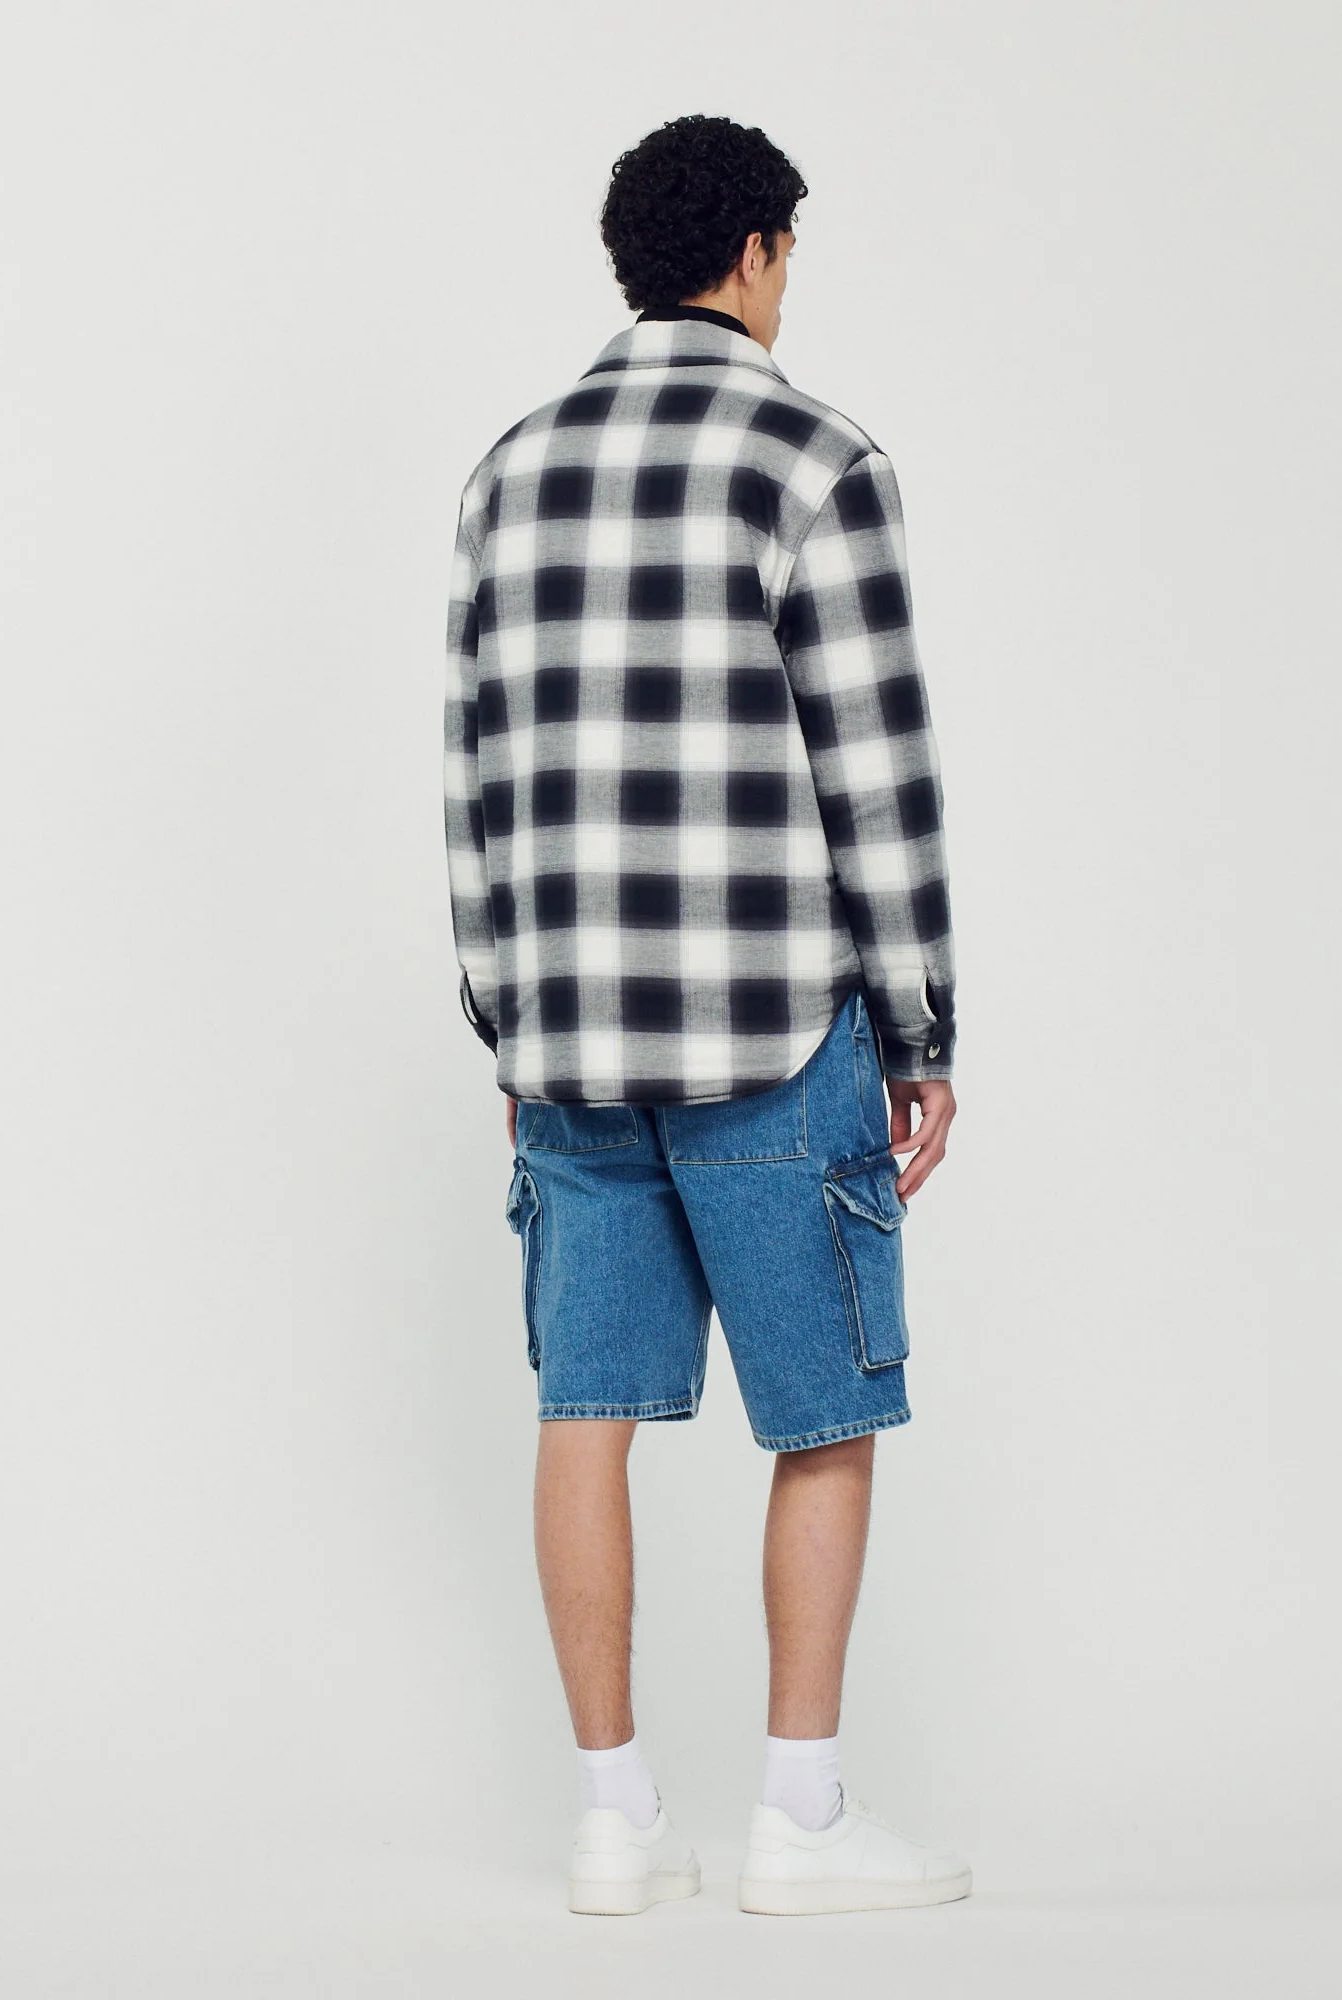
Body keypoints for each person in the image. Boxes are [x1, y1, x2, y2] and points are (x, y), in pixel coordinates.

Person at [441, 113, 968, 1918]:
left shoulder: (509, 474)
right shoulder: (813, 459)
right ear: (754, 253)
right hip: (768, 1028)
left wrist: (506, 1021)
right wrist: (920, 1027)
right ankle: (799, 1819)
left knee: (581, 1407)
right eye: (788, 256)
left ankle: (613, 1824)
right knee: (822, 1412)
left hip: (572, 1042)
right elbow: (875, 772)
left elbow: (472, 777)